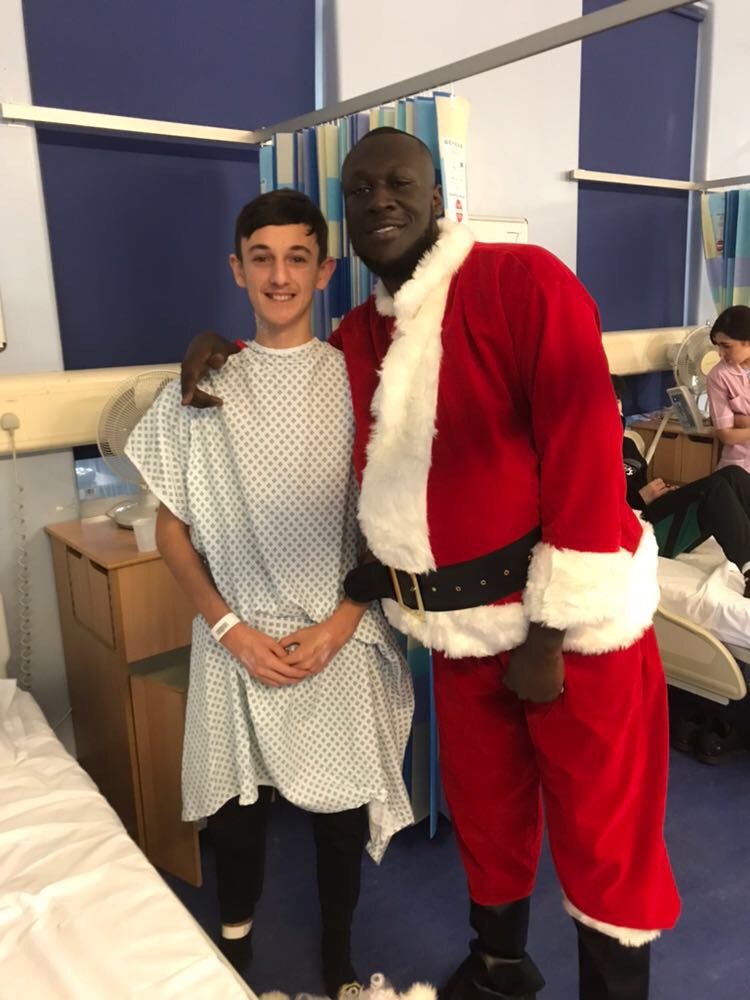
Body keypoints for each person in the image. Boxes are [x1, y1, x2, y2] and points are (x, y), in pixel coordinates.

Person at [180, 128, 680, 1000]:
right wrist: (222, 355)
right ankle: (499, 968)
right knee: (487, 815)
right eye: (361, 188)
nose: (379, 200)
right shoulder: (360, 334)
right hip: (451, 634)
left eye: (398, 182)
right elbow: (302, 394)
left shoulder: (523, 284)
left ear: (438, 192)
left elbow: (586, 455)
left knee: (603, 836)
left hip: (568, 635)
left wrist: (550, 631)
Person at [126, 188, 414, 998]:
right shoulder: (203, 386)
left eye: (297, 258)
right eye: (262, 257)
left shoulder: (363, 384)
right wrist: (226, 628)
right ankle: (236, 947)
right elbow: (172, 529)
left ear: (324, 270)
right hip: (236, 636)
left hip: (339, 632)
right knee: (237, 821)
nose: (279, 276)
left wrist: (339, 623)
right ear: (237, 268)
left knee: (338, 822)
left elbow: (384, 527)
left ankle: (336, 957)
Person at [616, 377, 750, 596]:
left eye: (618, 400)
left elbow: (637, 487)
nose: (616, 406)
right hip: (634, 533)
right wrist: (640, 498)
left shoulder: (627, 445)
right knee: (715, 488)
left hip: (648, 514)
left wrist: (660, 496)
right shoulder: (587, 453)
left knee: (732, 475)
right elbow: (604, 509)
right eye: (608, 401)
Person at [707, 304, 750, 472]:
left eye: (726, 346)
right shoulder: (718, 376)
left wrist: (741, 421)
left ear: (747, 341)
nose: (720, 353)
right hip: (738, 466)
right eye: (718, 345)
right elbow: (726, 435)